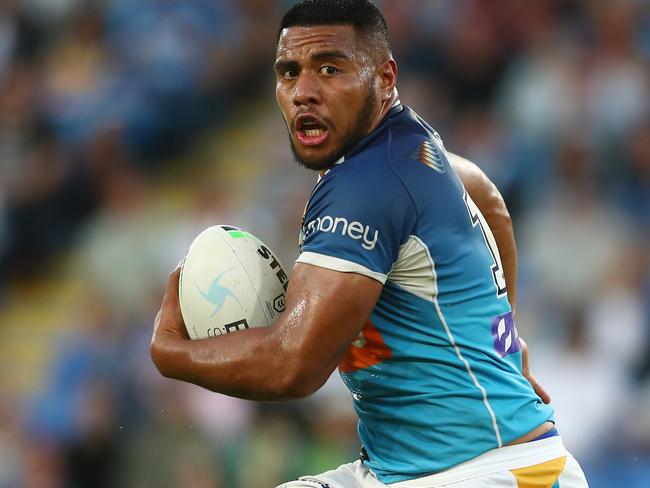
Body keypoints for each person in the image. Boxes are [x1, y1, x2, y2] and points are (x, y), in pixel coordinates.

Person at [150, 0, 589, 486]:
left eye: (330, 69)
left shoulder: (366, 184)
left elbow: (292, 366)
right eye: (289, 72)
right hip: (414, 470)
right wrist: (504, 335)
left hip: (489, 473)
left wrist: (171, 353)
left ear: (384, 78)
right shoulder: (407, 145)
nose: (303, 93)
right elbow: (487, 199)